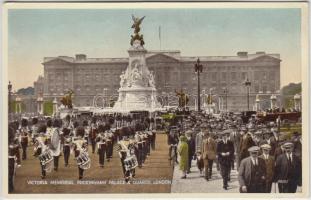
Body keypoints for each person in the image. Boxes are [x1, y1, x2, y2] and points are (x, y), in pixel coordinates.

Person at [8, 126, 21, 192]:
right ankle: (10, 188)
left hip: (10, 158)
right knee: (10, 175)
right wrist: (18, 162)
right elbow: (17, 151)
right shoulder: (14, 140)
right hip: (10, 159)